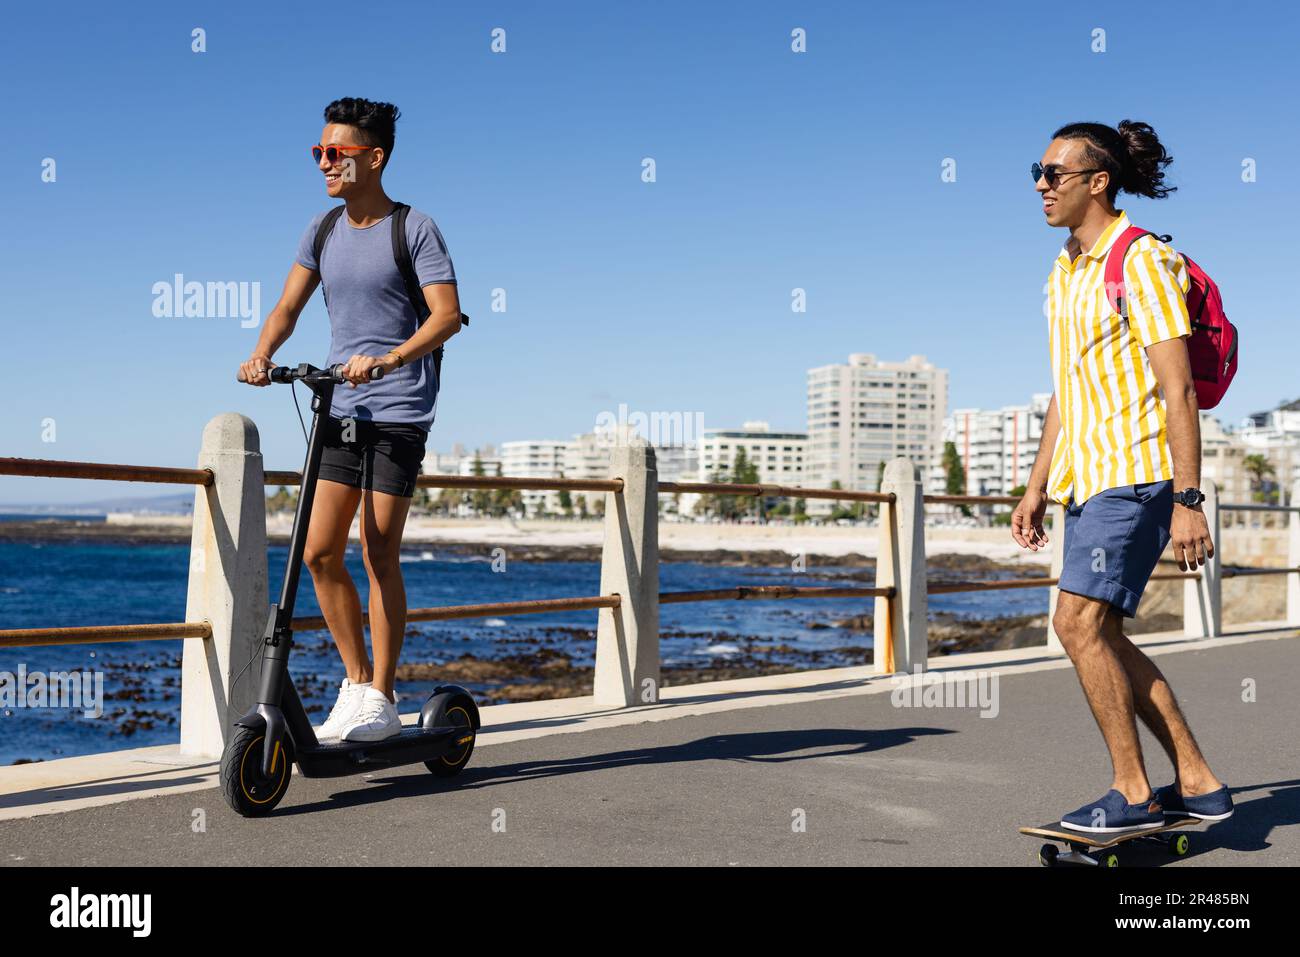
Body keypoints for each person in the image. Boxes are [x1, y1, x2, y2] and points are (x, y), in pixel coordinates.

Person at [1012, 120, 1233, 832]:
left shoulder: (1140, 262)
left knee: (1075, 622)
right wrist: (1038, 481)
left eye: (1054, 174)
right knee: (1099, 632)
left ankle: (1133, 791)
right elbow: (1066, 389)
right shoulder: (1064, 270)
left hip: (1137, 475)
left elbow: (1179, 391)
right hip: (1087, 479)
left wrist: (1188, 497)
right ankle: (1196, 780)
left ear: (1097, 180)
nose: (1041, 186)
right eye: (1037, 174)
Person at [238, 97, 463, 742]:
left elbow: (446, 317)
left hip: (398, 408)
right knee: (318, 551)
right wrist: (261, 355)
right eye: (319, 153)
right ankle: (358, 681)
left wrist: (389, 360)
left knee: (378, 550)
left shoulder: (414, 228)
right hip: (341, 405)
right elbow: (287, 307)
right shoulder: (323, 229)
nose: (324, 164)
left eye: (336, 154)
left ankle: (385, 697)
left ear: (375, 157)